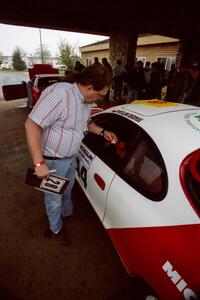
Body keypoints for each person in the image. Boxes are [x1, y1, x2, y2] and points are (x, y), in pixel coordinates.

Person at [25, 64, 118, 246]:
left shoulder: (85, 101)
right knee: (53, 198)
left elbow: (85, 123)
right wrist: (38, 163)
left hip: (69, 158)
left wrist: (102, 131)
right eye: (99, 95)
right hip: (52, 161)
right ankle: (56, 228)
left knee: (67, 189)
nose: (99, 99)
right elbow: (31, 125)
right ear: (89, 87)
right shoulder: (60, 95)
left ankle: (67, 214)